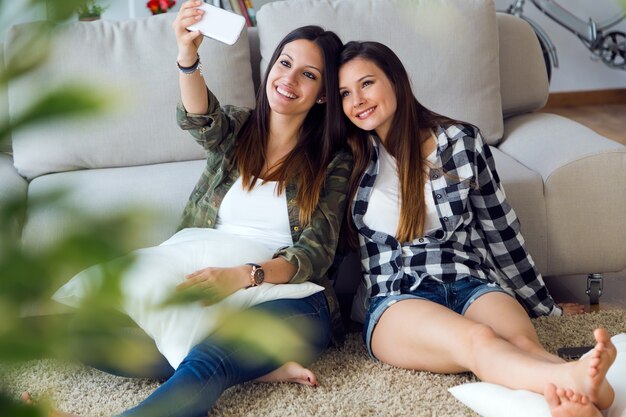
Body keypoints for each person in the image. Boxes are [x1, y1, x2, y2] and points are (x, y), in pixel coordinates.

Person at [22, 2, 350, 416]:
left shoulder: (334, 159)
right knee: (85, 332)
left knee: (208, 360)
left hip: (291, 298)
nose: (289, 78)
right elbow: (201, 118)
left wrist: (243, 275)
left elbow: (315, 253)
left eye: (309, 74)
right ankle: (247, 366)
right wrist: (187, 55)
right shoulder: (238, 130)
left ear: (323, 93)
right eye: (284, 63)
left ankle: (225, 363)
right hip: (208, 287)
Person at [336, 40, 616, 412]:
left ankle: (584, 398)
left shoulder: (460, 142)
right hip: (398, 298)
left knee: (526, 347)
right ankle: (577, 380)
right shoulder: (347, 155)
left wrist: (544, 305)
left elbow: (501, 231)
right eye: (344, 93)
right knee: (478, 340)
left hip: (471, 282)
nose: (357, 100)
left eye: (367, 83)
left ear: (396, 80)